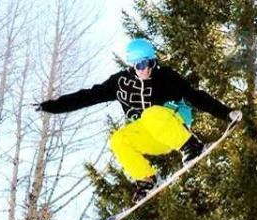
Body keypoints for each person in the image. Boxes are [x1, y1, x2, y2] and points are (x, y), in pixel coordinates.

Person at [35, 38, 242, 202]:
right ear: (132, 65)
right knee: (118, 139)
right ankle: (147, 178)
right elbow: (87, 96)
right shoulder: (120, 83)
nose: (146, 70)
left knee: (150, 113)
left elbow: (196, 96)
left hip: (174, 124)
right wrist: (51, 106)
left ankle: (192, 146)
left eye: (150, 63)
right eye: (141, 65)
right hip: (154, 137)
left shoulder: (165, 77)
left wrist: (226, 113)